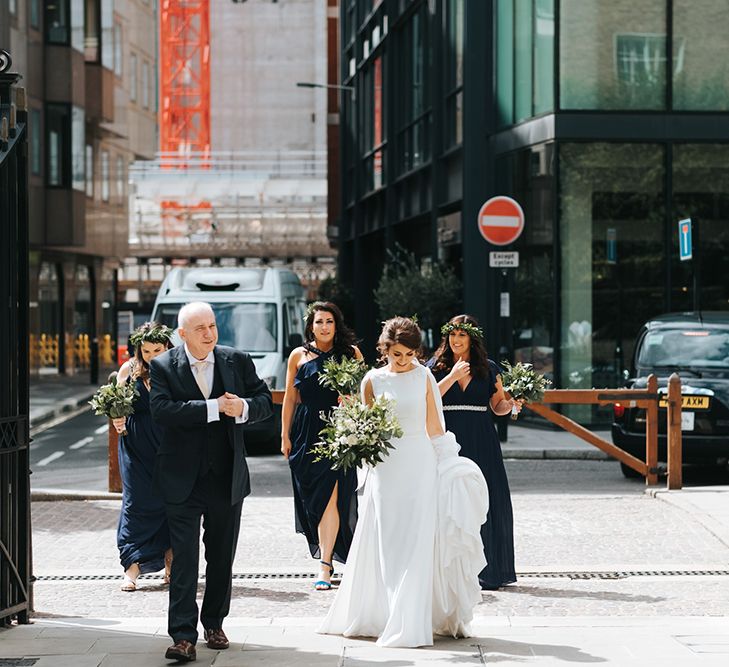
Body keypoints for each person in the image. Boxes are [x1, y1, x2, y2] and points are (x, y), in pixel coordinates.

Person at [319, 317, 489, 647]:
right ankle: (384, 613)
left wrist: (450, 462)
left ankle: (410, 618)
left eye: (409, 354)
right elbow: (364, 427)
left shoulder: (424, 376)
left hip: (420, 464)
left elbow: (433, 426)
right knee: (389, 539)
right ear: (385, 349)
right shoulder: (371, 380)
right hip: (385, 468)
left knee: (416, 540)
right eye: (397, 353)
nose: (403, 360)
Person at [150, 301, 272, 663]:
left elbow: (264, 400)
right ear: (183, 334)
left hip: (226, 478)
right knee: (184, 560)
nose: (209, 333)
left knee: (221, 557)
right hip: (180, 480)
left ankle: (215, 623)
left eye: (213, 326)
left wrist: (244, 408)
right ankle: (182, 637)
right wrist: (213, 408)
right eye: (200, 328)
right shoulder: (162, 366)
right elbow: (161, 411)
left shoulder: (237, 359)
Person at [430, 314, 521, 590]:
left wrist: (513, 405)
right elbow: (427, 397)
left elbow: (498, 406)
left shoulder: (489, 368)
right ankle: (449, 569)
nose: (456, 340)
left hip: (482, 437)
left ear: (472, 338)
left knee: (486, 496)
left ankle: (489, 568)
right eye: (452, 335)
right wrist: (452, 376)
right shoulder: (434, 367)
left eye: (462, 335)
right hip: (449, 438)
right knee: (447, 499)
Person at [281, 301, 362, 590]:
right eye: (319, 322)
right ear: (310, 325)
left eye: (329, 321)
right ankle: (331, 554)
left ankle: (325, 564)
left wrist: (352, 402)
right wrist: (284, 435)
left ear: (336, 324)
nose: (324, 327)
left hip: (339, 431)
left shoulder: (350, 354)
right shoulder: (297, 356)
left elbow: (364, 392)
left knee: (333, 495)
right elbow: (290, 398)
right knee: (313, 497)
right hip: (306, 430)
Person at [112, 322, 174, 592]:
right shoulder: (129, 370)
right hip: (135, 447)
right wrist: (116, 417)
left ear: (167, 347)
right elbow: (115, 403)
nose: (151, 355)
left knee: (170, 502)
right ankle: (132, 568)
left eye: (157, 350)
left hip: (168, 445)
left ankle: (171, 562)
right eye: (146, 350)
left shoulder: (176, 369)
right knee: (135, 502)